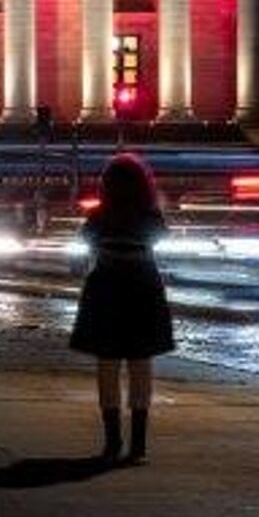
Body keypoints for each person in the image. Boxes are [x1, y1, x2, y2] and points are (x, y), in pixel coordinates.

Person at [68, 153, 175, 464]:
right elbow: (160, 237)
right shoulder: (150, 217)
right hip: (143, 287)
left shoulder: (99, 216)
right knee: (141, 364)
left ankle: (112, 442)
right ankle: (138, 445)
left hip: (105, 288)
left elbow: (83, 246)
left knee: (108, 365)